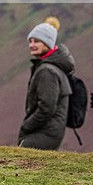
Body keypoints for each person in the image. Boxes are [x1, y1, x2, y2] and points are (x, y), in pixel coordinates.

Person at [18, 17, 75, 150]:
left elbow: (47, 107)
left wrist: (27, 125)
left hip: (44, 132)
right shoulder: (53, 68)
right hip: (51, 132)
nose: (32, 45)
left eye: (37, 41)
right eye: (30, 41)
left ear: (48, 43)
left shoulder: (47, 71)